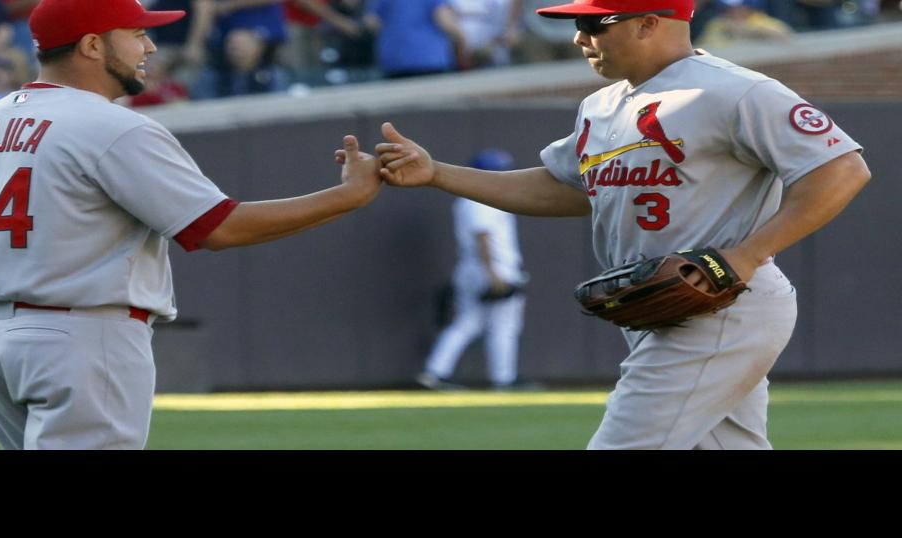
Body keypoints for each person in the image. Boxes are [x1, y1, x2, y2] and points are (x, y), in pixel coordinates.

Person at [372, 0, 870, 449]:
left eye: (592, 23)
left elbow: (842, 169)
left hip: (722, 305)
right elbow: (564, 187)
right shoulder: (601, 105)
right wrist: (437, 174)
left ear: (649, 22)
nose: (579, 38)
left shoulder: (736, 91)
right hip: (659, 306)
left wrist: (743, 257)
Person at [0, 0, 382, 450]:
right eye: (137, 33)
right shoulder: (110, 125)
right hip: (81, 336)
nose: (150, 46)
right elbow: (218, 228)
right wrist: (348, 196)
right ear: (93, 46)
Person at [417, 149, 529, 391]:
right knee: (502, 325)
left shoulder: (471, 198)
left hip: (476, 268)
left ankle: (435, 371)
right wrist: (492, 272)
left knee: (469, 323)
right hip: (491, 268)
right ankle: (503, 378)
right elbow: (483, 235)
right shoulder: (481, 198)